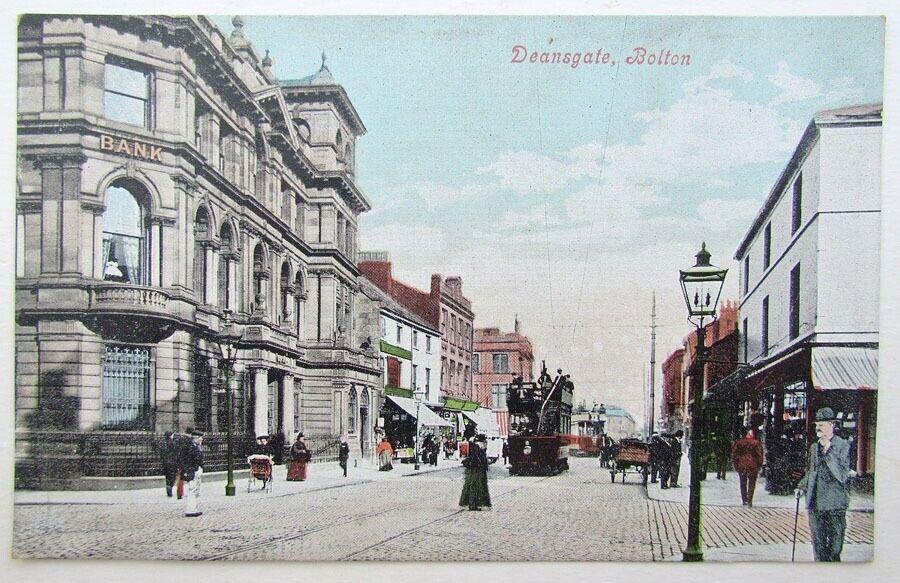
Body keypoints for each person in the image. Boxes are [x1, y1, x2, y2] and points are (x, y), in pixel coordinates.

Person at [796, 407, 854, 561]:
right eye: (817, 426)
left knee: (835, 548)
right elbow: (811, 471)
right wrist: (801, 487)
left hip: (835, 504)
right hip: (815, 503)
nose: (818, 429)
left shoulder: (843, 446)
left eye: (821, 425)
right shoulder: (814, 447)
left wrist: (828, 450)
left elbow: (841, 475)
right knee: (819, 546)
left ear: (831, 425)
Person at [731, 427, 765, 506]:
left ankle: (744, 499)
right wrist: (759, 465)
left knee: (742, 482)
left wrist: (737, 464)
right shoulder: (756, 443)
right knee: (752, 483)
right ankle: (750, 499)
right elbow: (759, 456)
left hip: (742, 465)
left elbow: (734, 455)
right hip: (753, 466)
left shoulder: (739, 443)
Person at [459, 434, 491, 511]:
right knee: (476, 487)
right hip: (476, 470)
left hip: (475, 470)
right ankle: (473, 505)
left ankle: (473, 504)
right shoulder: (477, 448)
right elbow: (477, 459)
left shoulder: (477, 447)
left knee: (472, 486)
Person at [183, 430, 204, 517]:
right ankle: (190, 510)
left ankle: (193, 509)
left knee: (195, 490)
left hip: (195, 470)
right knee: (192, 490)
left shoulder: (196, 446)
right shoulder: (191, 447)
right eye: (200, 437)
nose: (202, 439)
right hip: (192, 471)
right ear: (195, 438)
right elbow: (193, 459)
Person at [157, 431, 179, 497]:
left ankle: (168, 489)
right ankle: (170, 487)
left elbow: (161, 453)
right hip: (172, 462)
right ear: (170, 436)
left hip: (165, 462)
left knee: (167, 477)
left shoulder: (162, 443)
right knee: (173, 477)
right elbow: (176, 453)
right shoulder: (172, 443)